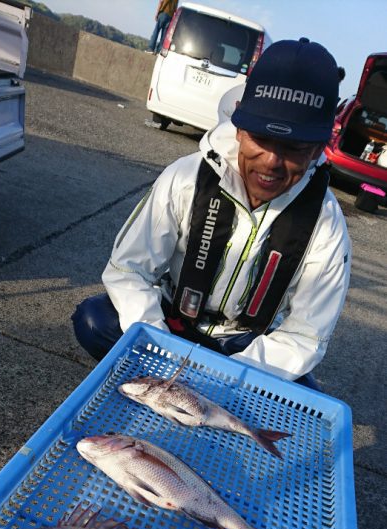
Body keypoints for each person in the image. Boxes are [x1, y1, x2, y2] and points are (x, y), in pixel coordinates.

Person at [72, 38, 352, 388]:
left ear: (317, 149)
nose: (271, 162)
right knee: (94, 320)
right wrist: (162, 356)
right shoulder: (186, 177)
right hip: (174, 325)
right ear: (239, 127)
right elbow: (129, 270)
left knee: (305, 401)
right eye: (260, 138)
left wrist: (225, 380)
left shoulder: (326, 223)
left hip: (246, 345)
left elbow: (305, 336)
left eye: (293, 148)